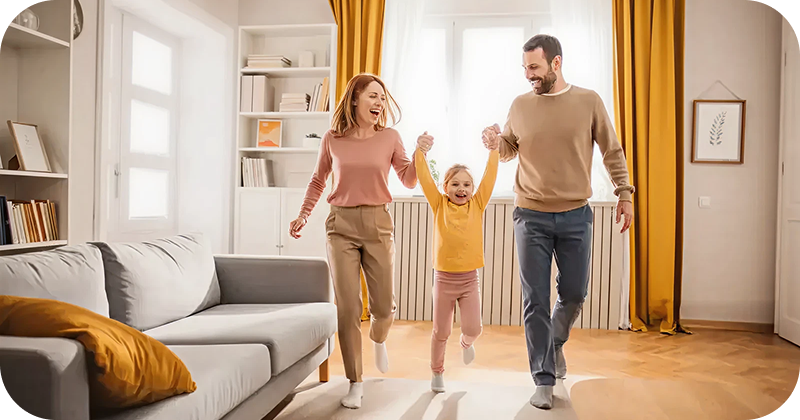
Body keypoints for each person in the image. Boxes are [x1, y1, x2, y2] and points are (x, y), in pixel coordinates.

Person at [482, 34, 635, 409]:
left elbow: (611, 150)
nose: (529, 75)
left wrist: (625, 193)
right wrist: (494, 141)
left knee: (575, 293)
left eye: (534, 67)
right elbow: (509, 148)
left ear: (556, 63)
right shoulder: (519, 104)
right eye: (525, 69)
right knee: (535, 298)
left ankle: (553, 343)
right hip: (529, 215)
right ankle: (543, 378)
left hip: (575, 215)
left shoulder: (588, 101)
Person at [289, 73, 429, 409]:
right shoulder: (333, 138)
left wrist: (420, 153)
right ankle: (355, 380)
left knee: (383, 308)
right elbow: (318, 180)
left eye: (383, 97)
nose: (380, 103)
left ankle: (379, 338)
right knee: (348, 306)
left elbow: (408, 180)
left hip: (379, 225)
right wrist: (304, 214)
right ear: (355, 99)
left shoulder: (391, 137)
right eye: (373, 96)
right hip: (340, 225)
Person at [413, 133, 499, 393]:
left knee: (474, 328)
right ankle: (437, 372)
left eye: (466, 185)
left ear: (473, 190)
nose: (461, 189)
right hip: (443, 279)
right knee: (441, 331)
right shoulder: (439, 204)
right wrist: (420, 152)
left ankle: (466, 342)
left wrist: (494, 150)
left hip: (469, 279)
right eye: (455, 185)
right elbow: (425, 178)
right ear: (445, 187)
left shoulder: (477, 204)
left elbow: (490, 177)